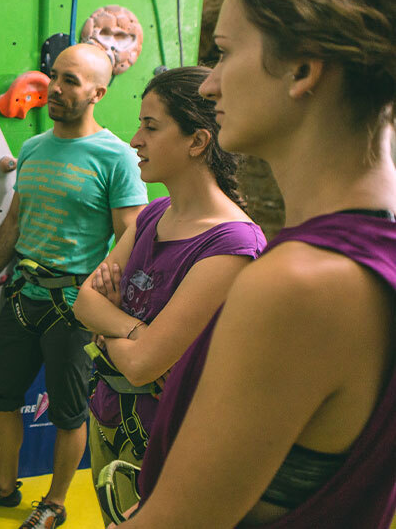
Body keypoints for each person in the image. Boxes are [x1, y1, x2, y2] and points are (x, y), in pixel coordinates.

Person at [115, 0, 396, 527]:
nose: (208, 83)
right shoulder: (364, 253)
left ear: (302, 69)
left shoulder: (302, 282)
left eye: (223, 52)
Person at [0, 43, 148, 529]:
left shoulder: (119, 158)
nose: (56, 89)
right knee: (1, 398)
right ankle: (4, 487)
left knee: (68, 412)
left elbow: (132, 239)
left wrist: (117, 314)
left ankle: (56, 502)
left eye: (71, 82)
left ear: (98, 93)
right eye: (54, 77)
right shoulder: (34, 147)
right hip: (22, 294)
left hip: (77, 306)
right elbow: (16, 220)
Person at [71, 66, 266, 525]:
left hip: (168, 439)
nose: (135, 139)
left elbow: (144, 365)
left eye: (151, 127)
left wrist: (110, 327)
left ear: (198, 142)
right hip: (109, 418)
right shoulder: (155, 213)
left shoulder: (232, 244)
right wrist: (137, 330)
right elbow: (84, 302)